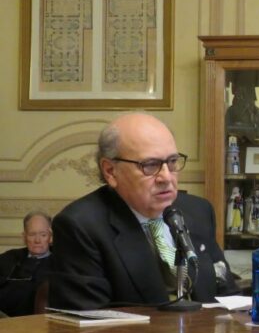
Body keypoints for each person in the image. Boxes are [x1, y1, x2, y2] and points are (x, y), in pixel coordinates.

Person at [49, 112, 238, 310]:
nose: (166, 177)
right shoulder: (81, 226)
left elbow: (227, 295)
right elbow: (87, 326)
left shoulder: (197, 211)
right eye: (150, 165)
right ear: (110, 171)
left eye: (172, 162)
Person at [0, 211, 53, 317]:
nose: (37, 240)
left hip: (33, 324)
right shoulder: (9, 257)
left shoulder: (61, 262)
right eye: (32, 234)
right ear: (24, 237)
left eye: (43, 235)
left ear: (50, 237)